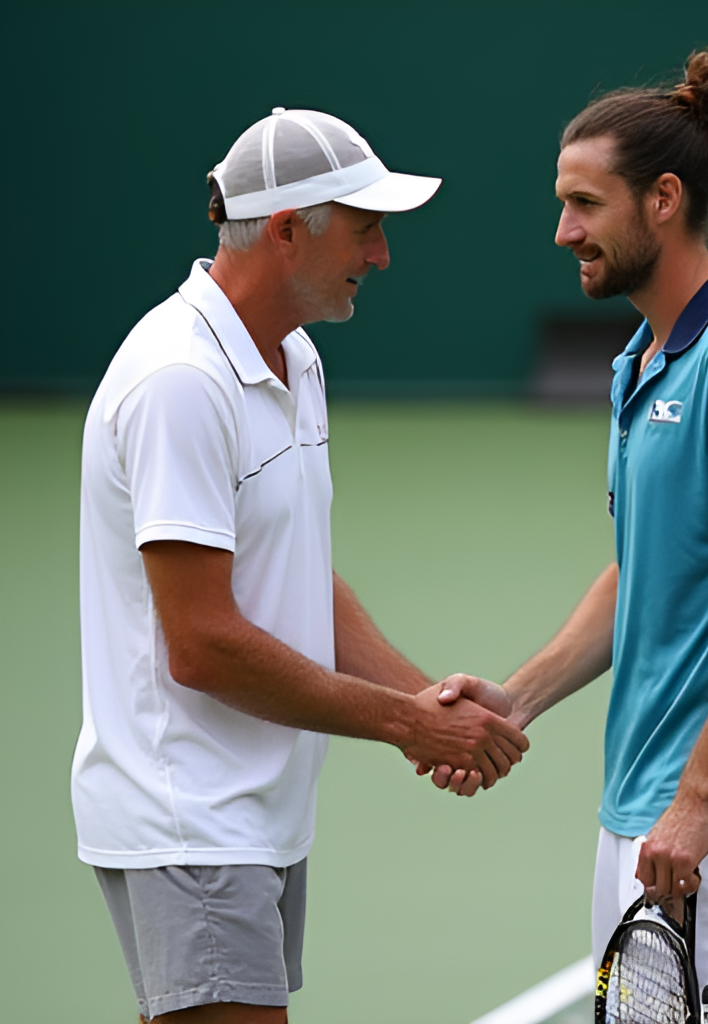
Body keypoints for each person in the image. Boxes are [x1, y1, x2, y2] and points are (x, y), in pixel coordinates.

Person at [71, 107, 528, 1023]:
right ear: (286, 230)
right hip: (190, 824)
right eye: (366, 229)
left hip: (258, 820)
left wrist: (429, 698)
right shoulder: (179, 383)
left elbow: (298, 576)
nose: (384, 254)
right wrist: (407, 726)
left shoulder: (298, 360)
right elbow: (201, 645)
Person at [432, 47, 708, 1024]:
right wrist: (517, 697)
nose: (562, 230)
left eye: (584, 203)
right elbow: (639, 571)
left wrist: (698, 799)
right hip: (642, 800)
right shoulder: (640, 362)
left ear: (661, 199)